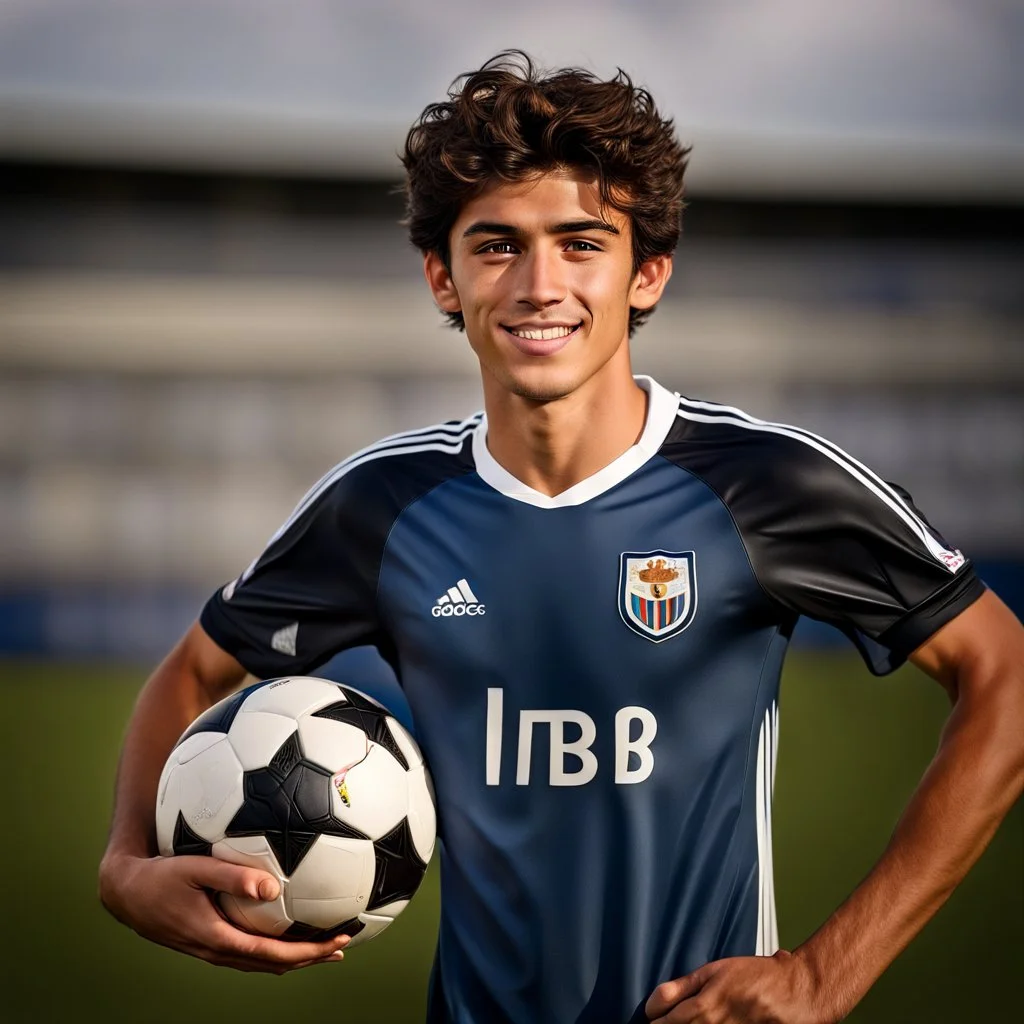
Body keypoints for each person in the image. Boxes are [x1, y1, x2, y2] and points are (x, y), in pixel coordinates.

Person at [99, 52, 1024, 1024]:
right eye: (496, 245)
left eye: (582, 243)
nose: (541, 284)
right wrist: (126, 863)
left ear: (646, 272)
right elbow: (194, 671)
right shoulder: (382, 504)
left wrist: (827, 972)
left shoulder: (763, 482)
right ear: (442, 277)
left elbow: (1002, 670)